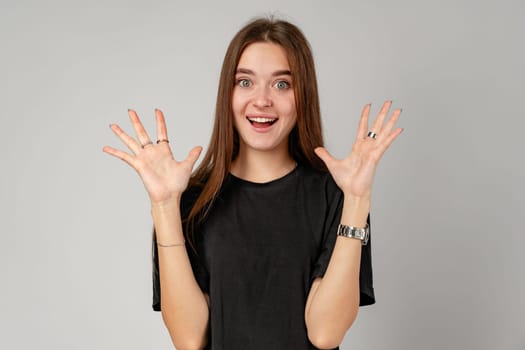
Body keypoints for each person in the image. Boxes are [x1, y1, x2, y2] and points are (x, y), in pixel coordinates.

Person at [103, 17, 402, 350]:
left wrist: (358, 200)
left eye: (281, 84)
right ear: (227, 94)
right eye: (245, 82)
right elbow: (189, 338)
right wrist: (163, 208)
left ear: (303, 95)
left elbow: (325, 332)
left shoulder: (336, 195)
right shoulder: (190, 200)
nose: (262, 100)